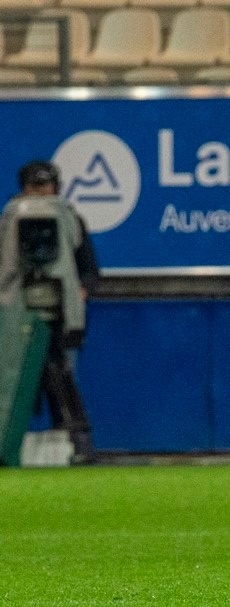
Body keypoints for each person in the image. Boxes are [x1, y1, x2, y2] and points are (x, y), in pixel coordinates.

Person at [0, 160, 99, 463]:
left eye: (46, 186)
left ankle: (77, 444)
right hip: (18, 312)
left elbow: (89, 270)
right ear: (23, 188)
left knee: (61, 376)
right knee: (10, 379)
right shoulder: (10, 218)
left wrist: (76, 294)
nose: (41, 193)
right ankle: (7, 444)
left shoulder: (69, 218)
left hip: (59, 314)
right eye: (35, 186)